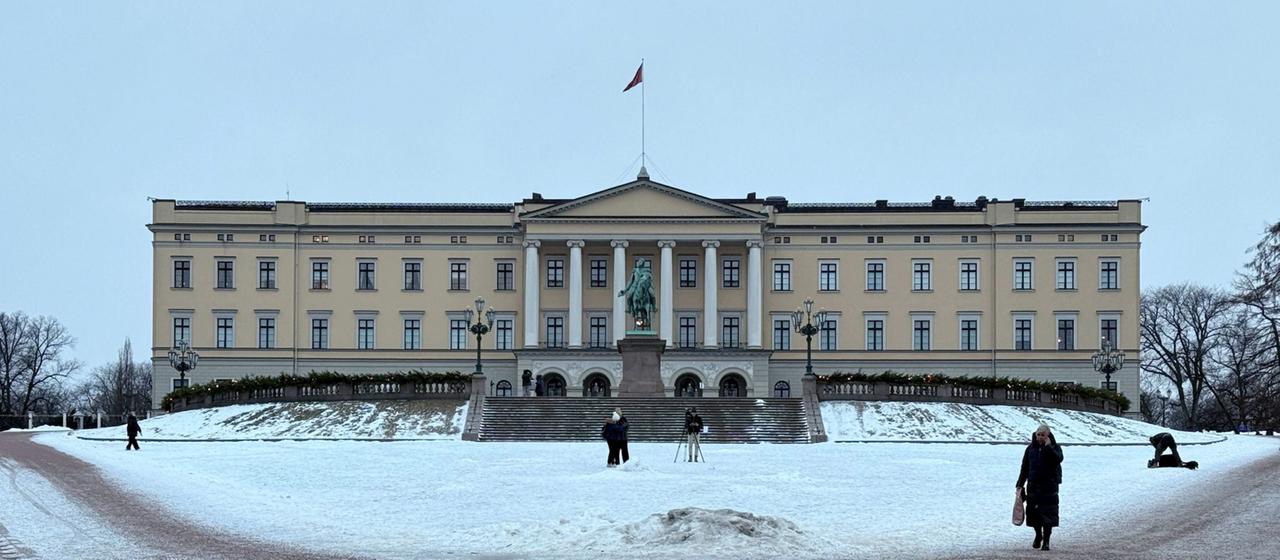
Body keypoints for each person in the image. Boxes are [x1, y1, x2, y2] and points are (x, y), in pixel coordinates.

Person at [1016, 424, 1063, 551]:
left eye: (1043, 435)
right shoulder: (1030, 449)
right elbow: (1025, 467)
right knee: (1034, 514)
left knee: (1048, 516)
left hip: (1049, 487)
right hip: (1034, 486)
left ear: (1048, 436)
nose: (1040, 437)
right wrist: (1020, 484)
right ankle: (1038, 535)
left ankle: (1046, 540)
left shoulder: (1055, 447)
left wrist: (1048, 447)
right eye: (1038, 435)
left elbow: (1058, 459)